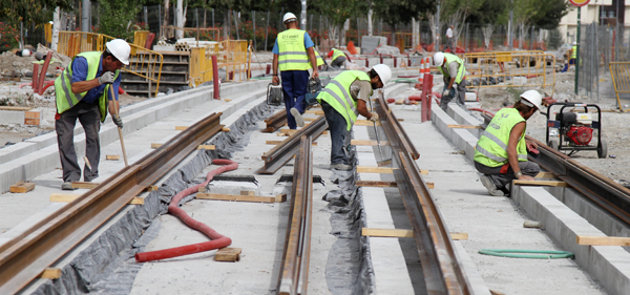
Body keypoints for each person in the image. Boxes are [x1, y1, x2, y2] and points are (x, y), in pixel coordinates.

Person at [54, 39, 130, 190]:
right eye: (119, 64)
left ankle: (91, 176)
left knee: (93, 137)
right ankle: (71, 177)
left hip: (90, 103)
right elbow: (75, 87)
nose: (120, 67)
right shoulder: (84, 61)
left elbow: (112, 98)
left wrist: (115, 115)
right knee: (66, 139)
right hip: (69, 102)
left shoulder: (114, 73)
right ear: (109, 59)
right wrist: (100, 80)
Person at [316, 64, 391, 171]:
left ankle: (340, 158)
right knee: (339, 131)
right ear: (376, 78)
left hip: (328, 97)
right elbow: (361, 107)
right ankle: (337, 161)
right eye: (381, 84)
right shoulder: (366, 84)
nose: (379, 87)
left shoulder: (360, 75)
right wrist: (370, 115)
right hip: (336, 102)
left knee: (338, 131)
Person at [474, 90, 542, 196]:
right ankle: (494, 181)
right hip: (490, 164)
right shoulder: (519, 121)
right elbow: (511, 150)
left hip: (479, 160)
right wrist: (519, 175)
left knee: (521, 165)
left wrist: (523, 140)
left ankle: (499, 184)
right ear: (532, 110)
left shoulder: (504, 111)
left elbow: (502, 133)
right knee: (532, 168)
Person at [272, 12, 319, 129]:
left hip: (285, 71)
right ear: (296, 22)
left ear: (285, 24)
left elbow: (275, 57)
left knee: (288, 97)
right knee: (302, 93)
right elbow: (311, 52)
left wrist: (274, 74)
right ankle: (298, 108)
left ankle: (292, 126)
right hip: (300, 70)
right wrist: (315, 69)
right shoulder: (303, 34)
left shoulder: (280, 36)